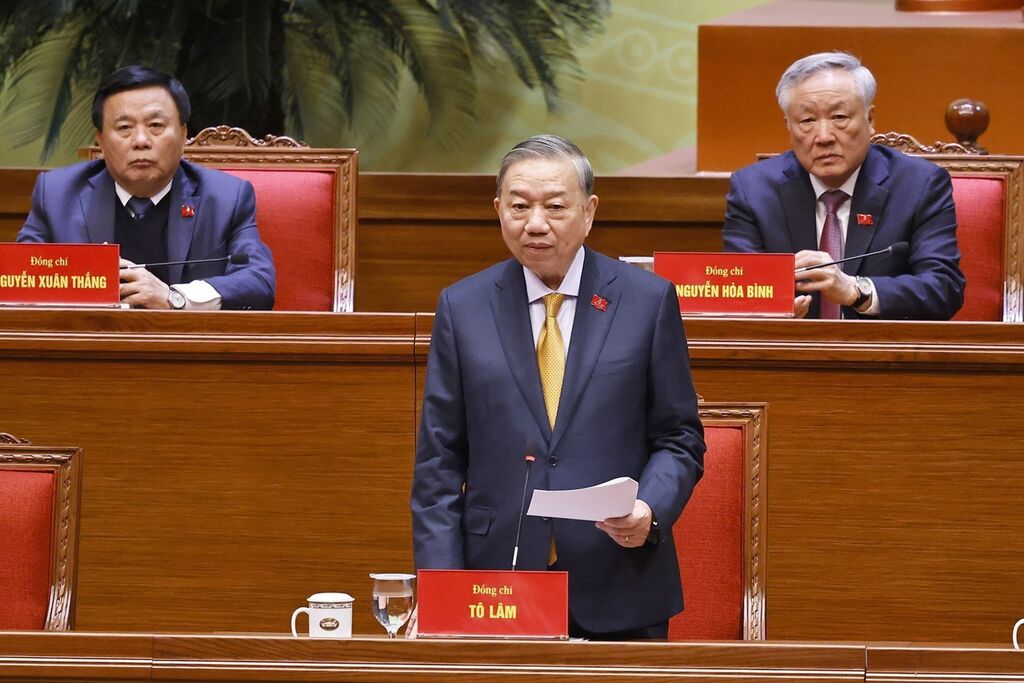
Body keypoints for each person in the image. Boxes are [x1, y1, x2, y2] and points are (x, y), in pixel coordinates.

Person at [411, 135, 705, 640]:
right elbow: (438, 463)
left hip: (618, 579)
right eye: (519, 206)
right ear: (498, 210)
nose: (535, 223)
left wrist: (650, 509)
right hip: (496, 588)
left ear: (589, 212)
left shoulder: (646, 300)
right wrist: (442, 589)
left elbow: (679, 436)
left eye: (554, 206)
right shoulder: (462, 307)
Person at [723, 52, 965, 320]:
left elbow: (944, 287)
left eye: (839, 117)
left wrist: (856, 291)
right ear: (789, 127)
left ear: (870, 120)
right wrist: (772, 310)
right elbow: (738, 291)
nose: (824, 137)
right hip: (790, 345)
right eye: (807, 121)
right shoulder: (754, 190)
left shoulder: (919, 185)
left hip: (883, 345)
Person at [17, 65, 275, 310]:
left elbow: (258, 282)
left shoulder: (226, 198)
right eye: (124, 128)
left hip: (185, 339)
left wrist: (174, 298)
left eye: (155, 126)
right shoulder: (58, 194)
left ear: (183, 135)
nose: (141, 140)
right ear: (101, 141)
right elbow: (18, 278)